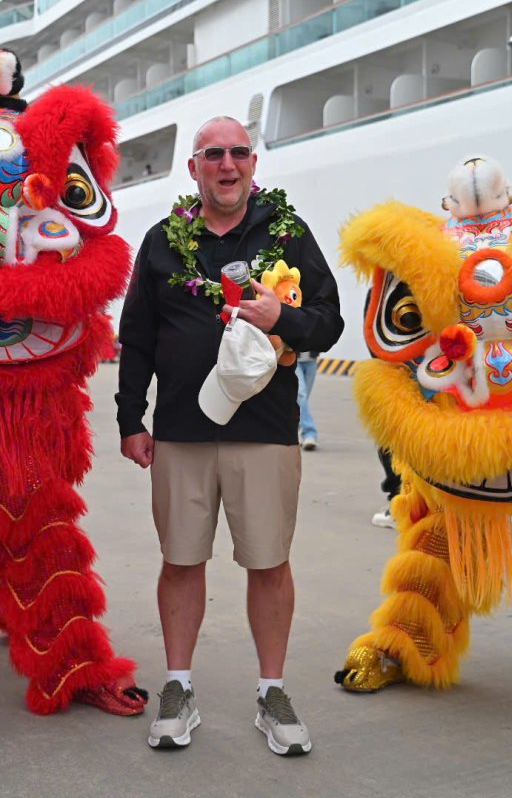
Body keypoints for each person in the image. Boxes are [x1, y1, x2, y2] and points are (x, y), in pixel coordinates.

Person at [117, 116, 343, 755]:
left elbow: (328, 322)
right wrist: (131, 418)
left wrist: (284, 317)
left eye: (238, 152)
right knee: (180, 559)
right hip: (181, 432)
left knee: (269, 562)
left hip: (265, 432)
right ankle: (178, 686)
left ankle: (271, 691)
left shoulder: (289, 236)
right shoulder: (164, 240)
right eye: (212, 153)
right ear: (193, 168)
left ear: (253, 164)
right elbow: (136, 337)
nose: (227, 164)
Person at [295, 349, 319, 449]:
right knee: (301, 394)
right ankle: (309, 433)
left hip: (311, 360)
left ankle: (295, 431)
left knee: (301, 400)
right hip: (295, 361)